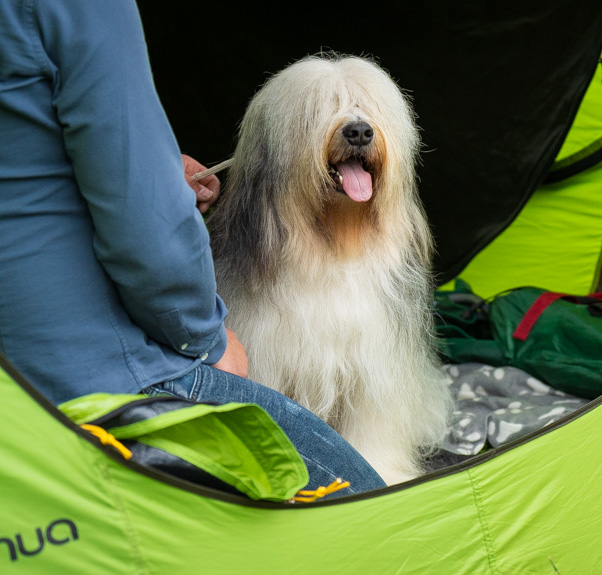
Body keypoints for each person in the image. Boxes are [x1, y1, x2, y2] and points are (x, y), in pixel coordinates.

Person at [0, 0, 385, 496]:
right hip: (90, 382)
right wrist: (206, 339)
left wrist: (156, 169)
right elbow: (144, 225)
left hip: (15, 377)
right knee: (379, 504)